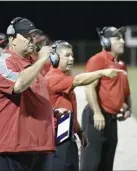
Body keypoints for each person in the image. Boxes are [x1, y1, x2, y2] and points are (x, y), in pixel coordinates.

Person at [45, 40, 124, 171]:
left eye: (72, 55)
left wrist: (80, 132)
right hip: (57, 139)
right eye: (67, 55)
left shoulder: (62, 77)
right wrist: (102, 72)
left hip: (67, 136)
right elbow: (79, 80)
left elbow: (70, 110)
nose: (71, 59)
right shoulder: (53, 77)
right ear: (54, 57)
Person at [0, 17, 55, 171]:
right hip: (13, 146)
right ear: (12, 39)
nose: (31, 40)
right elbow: (18, 85)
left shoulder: (32, 65)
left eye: (33, 36)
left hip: (39, 146)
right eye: (26, 36)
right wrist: (42, 59)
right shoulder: (5, 62)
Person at [80, 26, 132, 171]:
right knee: (91, 163)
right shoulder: (98, 60)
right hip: (96, 117)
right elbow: (89, 87)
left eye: (122, 38)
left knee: (107, 165)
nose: (122, 41)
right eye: (117, 38)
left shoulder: (121, 65)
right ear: (106, 42)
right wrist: (97, 112)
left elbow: (125, 91)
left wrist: (128, 107)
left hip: (112, 119)